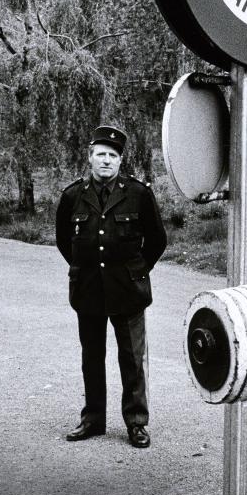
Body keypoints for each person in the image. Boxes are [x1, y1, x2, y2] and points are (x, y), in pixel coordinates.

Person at [56, 125, 167, 449]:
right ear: (90, 158)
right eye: (101, 154)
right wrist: (84, 268)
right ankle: (92, 420)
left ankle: (136, 423)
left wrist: (136, 271)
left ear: (121, 161)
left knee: (132, 359)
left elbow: (157, 240)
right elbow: (65, 241)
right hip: (88, 289)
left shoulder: (138, 194)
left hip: (127, 291)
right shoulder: (73, 195)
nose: (107, 161)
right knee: (92, 356)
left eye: (113, 156)